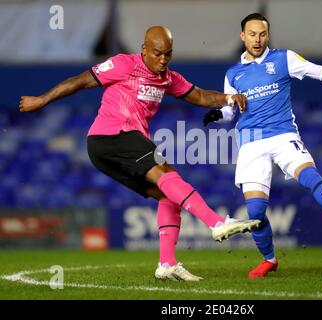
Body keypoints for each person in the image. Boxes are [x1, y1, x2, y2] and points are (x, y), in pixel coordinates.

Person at [19, 26, 261, 281]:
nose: (163, 59)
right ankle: (216, 223)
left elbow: (200, 96)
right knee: (167, 173)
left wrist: (229, 98)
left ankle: (167, 264)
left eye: (168, 54)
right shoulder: (123, 64)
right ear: (144, 49)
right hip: (112, 135)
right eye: (157, 53)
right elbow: (79, 81)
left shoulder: (168, 78)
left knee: (169, 194)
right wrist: (41, 100)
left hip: (116, 146)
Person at [203, 13, 322, 278]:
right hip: (251, 143)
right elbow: (231, 110)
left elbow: (320, 72)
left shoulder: (283, 59)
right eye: (252, 34)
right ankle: (269, 259)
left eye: (262, 34)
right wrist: (217, 114)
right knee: (255, 212)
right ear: (242, 36)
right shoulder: (233, 73)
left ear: (268, 35)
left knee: (306, 172)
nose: (257, 39)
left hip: (282, 134)